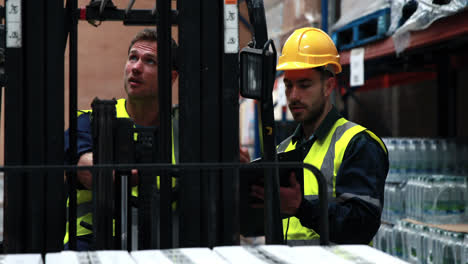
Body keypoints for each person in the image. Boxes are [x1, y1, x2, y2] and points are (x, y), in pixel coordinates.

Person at [251, 27, 389, 245]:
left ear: (328, 86)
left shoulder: (359, 143)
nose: (293, 96)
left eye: (304, 85)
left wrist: (301, 208)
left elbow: (361, 226)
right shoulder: (283, 150)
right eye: (288, 86)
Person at [63, 28, 179, 250]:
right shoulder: (90, 122)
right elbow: (89, 171)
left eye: (150, 61)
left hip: (162, 244)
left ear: (171, 77)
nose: (135, 67)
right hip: (94, 241)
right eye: (132, 57)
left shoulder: (185, 128)